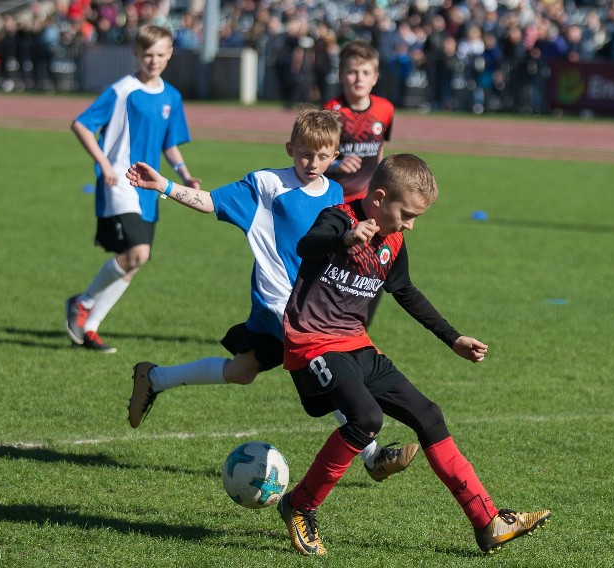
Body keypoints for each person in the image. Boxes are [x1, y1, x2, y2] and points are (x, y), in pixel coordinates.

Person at [277, 153, 551, 556]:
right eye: (405, 214)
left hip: (356, 344)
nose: (409, 224)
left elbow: (404, 290)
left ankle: (488, 521)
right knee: (367, 418)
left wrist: (453, 338)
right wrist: (345, 238)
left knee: (429, 416)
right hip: (313, 342)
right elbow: (307, 244)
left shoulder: (394, 240)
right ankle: (300, 505)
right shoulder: (338, 218)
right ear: (380, 197)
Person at [124, 109, 417, 482]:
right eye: (304, 154)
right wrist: (164, 185)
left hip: (316, 302)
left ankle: (155, 378)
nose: (312, 163)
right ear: (289, 148)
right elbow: (212, 201)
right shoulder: (266, 184)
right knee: (327, 365)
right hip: (280, 304)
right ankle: (373, 455)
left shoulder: (333, 191)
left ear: (335, 156)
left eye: (323, 156)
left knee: (241, 371)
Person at [65, 24, 200, 353]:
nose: (153, 60)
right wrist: (105, 164)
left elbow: (170, 144)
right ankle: (82, 302)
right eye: (147, 54)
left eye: (160, 54)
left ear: (169, 55)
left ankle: (90, 328)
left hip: (148, 187)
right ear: (136, 54)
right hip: (120, 182)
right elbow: (81, 124)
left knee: (134, 263)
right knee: (138, 253)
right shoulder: (122, 89)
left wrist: (185, 175)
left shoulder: (172, 96)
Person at [322, 40, 395, 328]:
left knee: (373, 267)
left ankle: (357, 327)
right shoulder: (332, 110)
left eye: (365, 72)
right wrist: (337, 164)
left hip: (369, 204)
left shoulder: (385, 109)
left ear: (375, 77)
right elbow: (315, 156)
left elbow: (379, 150)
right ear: (342, 75)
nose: (358, 78)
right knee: (335, 266)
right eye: (352, 72)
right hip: (337, 201)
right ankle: (327, 321)